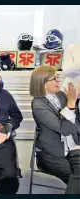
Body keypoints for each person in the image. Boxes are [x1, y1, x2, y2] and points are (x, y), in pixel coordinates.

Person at [29, 65, 80, 194]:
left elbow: (76, 120)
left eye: (58, 77)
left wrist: (76, 100)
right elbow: (63, 129)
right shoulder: (38, 104)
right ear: (43, 83)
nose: (59, 81)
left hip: (73, 146)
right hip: (52, 155)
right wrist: (71, 104)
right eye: (55, 78)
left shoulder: (61, 95)